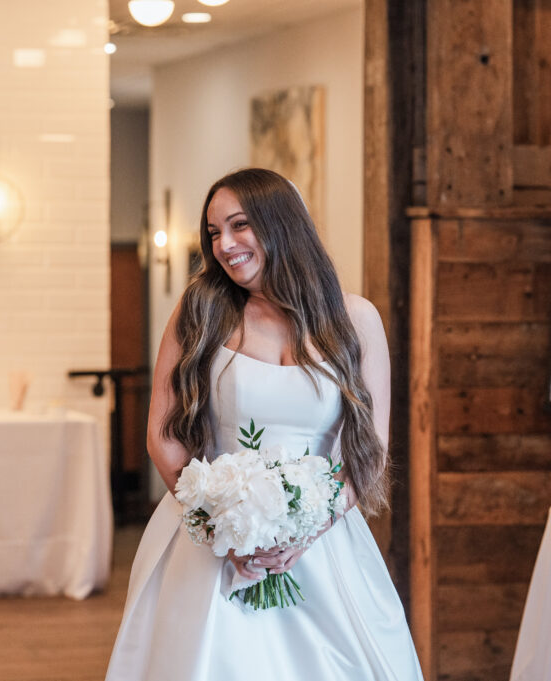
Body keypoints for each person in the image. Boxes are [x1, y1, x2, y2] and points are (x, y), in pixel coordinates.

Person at [105, 168, 423, 681]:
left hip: (321, 542)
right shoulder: (200, 312)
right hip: (213, 542)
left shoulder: (356, 320)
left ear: (281, 223)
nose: (224, 245)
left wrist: (306, 532)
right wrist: (223, 528)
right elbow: (162, 436)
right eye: (214, 232)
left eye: (239, 225)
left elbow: (371, 449)